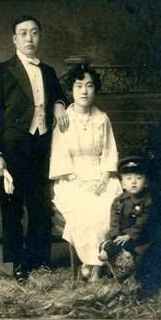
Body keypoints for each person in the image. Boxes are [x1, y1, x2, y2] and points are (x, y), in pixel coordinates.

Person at [0, 15, 69, 281]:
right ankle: (19, 264)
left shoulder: (49, 71)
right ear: (14, 39)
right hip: (13, 149)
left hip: (43, 147)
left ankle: (39, 261)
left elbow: (60, 96)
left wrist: (58, 103)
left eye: (34, 33)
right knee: (13, 208)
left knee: (41, 206)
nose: (29, 38)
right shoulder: (1, 70)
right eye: (23, 33)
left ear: (39, 37)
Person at [49, 64, 122, 282]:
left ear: (95, 89)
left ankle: (92, 267)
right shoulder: (64, 119)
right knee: (86, 213)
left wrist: (103, 179)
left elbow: (109, 152)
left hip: (101, 176)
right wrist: (81, 182)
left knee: (106, 208)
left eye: (89, 86)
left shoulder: (102, 119)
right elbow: (60, 156)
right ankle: (95, 267)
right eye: (78, 86)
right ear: (71, 90)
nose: (84, 91)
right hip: (70, 179)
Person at [98, 156, 161, 297]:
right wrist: (116, 237)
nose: (133, 181)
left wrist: (129, 235)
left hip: (142, 238)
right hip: (122, 237)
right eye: (128, 178)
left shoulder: (148, 200)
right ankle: (119, 277)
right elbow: (114, 220)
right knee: (109, 249)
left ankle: (142, 283)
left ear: (146, 182)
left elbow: (143, 221)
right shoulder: (119, 201)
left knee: (144, 258)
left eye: (139, 178)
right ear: (122, 183)